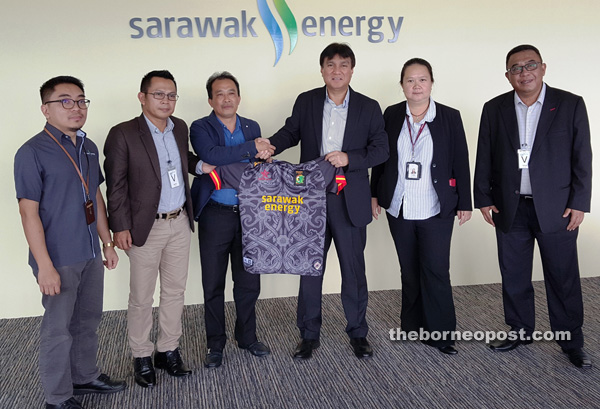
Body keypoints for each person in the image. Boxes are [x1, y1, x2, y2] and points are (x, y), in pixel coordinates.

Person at [473, 45, 592, 368]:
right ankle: (520, 330)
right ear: (507, 75)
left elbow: (582, 157)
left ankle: (571, 340)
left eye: (530, 65)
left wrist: (580, 202)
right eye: (516, 68)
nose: (524, 72)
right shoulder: (494, 108)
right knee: (514, 274)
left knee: (562, 276)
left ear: (543, 68)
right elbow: (485, 155)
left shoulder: (569, 104)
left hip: (557, 208)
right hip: (510, 207)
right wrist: (482, 198)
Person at [269, 43, 389, 360]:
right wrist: (270, 147)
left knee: (353, 271)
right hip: (310, 200)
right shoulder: (307, 101)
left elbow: (381, 150)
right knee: (309, 270)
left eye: (343, 65)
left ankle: (358, 333)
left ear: (352, 69)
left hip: (350, 200)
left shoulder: (368, 106)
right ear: (322, 69)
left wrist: (350, 158)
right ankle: (308, 335)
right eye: (331, 64)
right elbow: (289, 133)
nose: (337, 70)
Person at [14, 76, 126, 409]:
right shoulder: (32, 152)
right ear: (45, 109)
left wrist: (107, 243)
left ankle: (85, 375)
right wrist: (44, 266)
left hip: (90, 251)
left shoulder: (88, 147)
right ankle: (58, 397)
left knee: (88, 319)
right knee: (58, 328)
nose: (75, 108)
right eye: (65, 101)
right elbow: (27, 212)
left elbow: (95, 195)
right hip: (59, 256)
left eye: (80, 101)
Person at [371, 58, 472, 355]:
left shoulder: (450, 117)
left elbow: (461, 161)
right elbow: (381, 157)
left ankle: (441, 334)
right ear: (402, 84)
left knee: (436, 269)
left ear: (431, 83)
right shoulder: (390, 115)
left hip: (435, 206)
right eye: (410, 80)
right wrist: (374, 193)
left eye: (422, 79)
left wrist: (465, 201)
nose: (416, 85)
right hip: (399, 206)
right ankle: (412, 327)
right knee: (409, 270)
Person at [104, 70, 198, 388]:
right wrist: (120, 226)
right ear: (142, 96)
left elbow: (181, 160)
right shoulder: (124, 133)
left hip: (180, 222)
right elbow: (115, 187)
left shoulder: (179, 127)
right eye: (159, 94)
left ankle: (167, 350)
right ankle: (141, 355)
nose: (166, 100)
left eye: (171, 95)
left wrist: (203, 166)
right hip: (145, 227)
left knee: (174, 292)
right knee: (142, 297)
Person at [189, 71, 274, 368]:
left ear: (239, 97)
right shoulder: (200, 127)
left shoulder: (252, 126)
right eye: (219, 94)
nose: (226, 99)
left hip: (251, 214)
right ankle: (215, 342)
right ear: (211, 100)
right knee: (213, 282)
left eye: (231, 93)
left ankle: (247, 336)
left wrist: (263, 159)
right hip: (216, 214)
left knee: (249, 280)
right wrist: (252, 148)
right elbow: (211, 154)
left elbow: (253, 166)